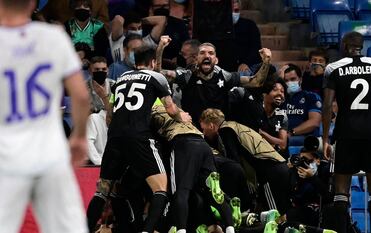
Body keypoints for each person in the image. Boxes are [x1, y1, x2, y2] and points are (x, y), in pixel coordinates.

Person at [0, 0, 90, 233]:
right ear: (32, 3)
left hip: (6, 158)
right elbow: (80, 95)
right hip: (49, 155)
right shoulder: (53, 37)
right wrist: (79, 136)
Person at [86, 45, 191, 233]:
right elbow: (170, 108)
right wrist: (181, 116)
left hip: (115, 138)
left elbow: (109, 117)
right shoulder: (156, 76)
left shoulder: (120, 80)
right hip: (139, 136)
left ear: (136, 62)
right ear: (152, 62)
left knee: (102, 190)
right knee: (160, 188)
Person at [322, 31, 371, 233]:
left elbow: (327, 105)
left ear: (344, 46)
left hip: (345, 133)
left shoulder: (334, 68)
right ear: (361, 46)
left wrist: (325, 139)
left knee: (341, 190)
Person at [151, 104, 236, 233]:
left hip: (183, 143)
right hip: (203, 145)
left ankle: (181, 230)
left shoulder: (149, 108)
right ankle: (230, 228)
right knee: (212, 192)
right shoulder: (175, 107)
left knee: (181, 190)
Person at [199, 108, 290, 220]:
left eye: (203, 129)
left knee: (274, 217)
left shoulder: (225, 130)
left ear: (211, 126)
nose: (203, 133)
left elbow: (234, 163)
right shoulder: (235, 126)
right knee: (281, 214)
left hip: (271, 172)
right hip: (280, 167)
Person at [159, 42, 272, 128]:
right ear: (196, 59)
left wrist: (266, 61)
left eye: (211, 53)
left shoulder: (224, 75)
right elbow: (158, 75)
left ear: (216, 60)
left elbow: (256, 82)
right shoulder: (187, 75)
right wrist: (160, 49)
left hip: (219, 129)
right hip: (192, 128)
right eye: (202, 53)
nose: (207, 56)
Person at [282, 64, 322, 143]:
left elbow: (314, 122)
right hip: (282, 139)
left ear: (300, 79)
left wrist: (291, 132)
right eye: (286, 81)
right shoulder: (280, 99)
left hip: (305, 140)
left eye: (293, 79)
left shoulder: (311, 96)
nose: (289, 83)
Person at [150, 0, 190, 68]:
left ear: (169, 7)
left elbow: (187, 45)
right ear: (151, 8)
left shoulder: (179, 24)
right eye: (158, 6)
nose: (162, 8)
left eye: (165, 6)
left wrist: (178, 58)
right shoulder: (145, 25)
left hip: (175, 66)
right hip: (151, 64)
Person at [232, 0, 262, 75]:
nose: (234, 13)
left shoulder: (250, 25)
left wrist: (246, 63)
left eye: (236, 11)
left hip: (249, 65)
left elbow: (256, 47)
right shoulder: (219, 28)